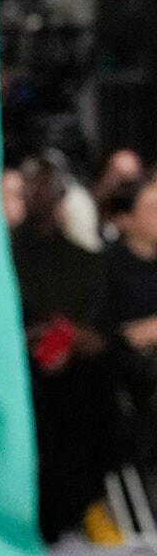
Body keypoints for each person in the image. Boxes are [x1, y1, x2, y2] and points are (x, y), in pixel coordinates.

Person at [10, 153, 116, 543]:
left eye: (50, 187)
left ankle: (86, 501)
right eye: (34, 185)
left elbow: (97, 324)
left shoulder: (84, 260)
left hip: (73, 362)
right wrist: (31, 340)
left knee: (96, 387)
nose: (43, 195)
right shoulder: (3, 253)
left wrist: (69, 339)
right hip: (15, 359)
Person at [98, 171, 157, 501]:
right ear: (124, 219)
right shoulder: (107, 266)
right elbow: (113, 333)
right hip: (125, 367)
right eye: (152, 208)